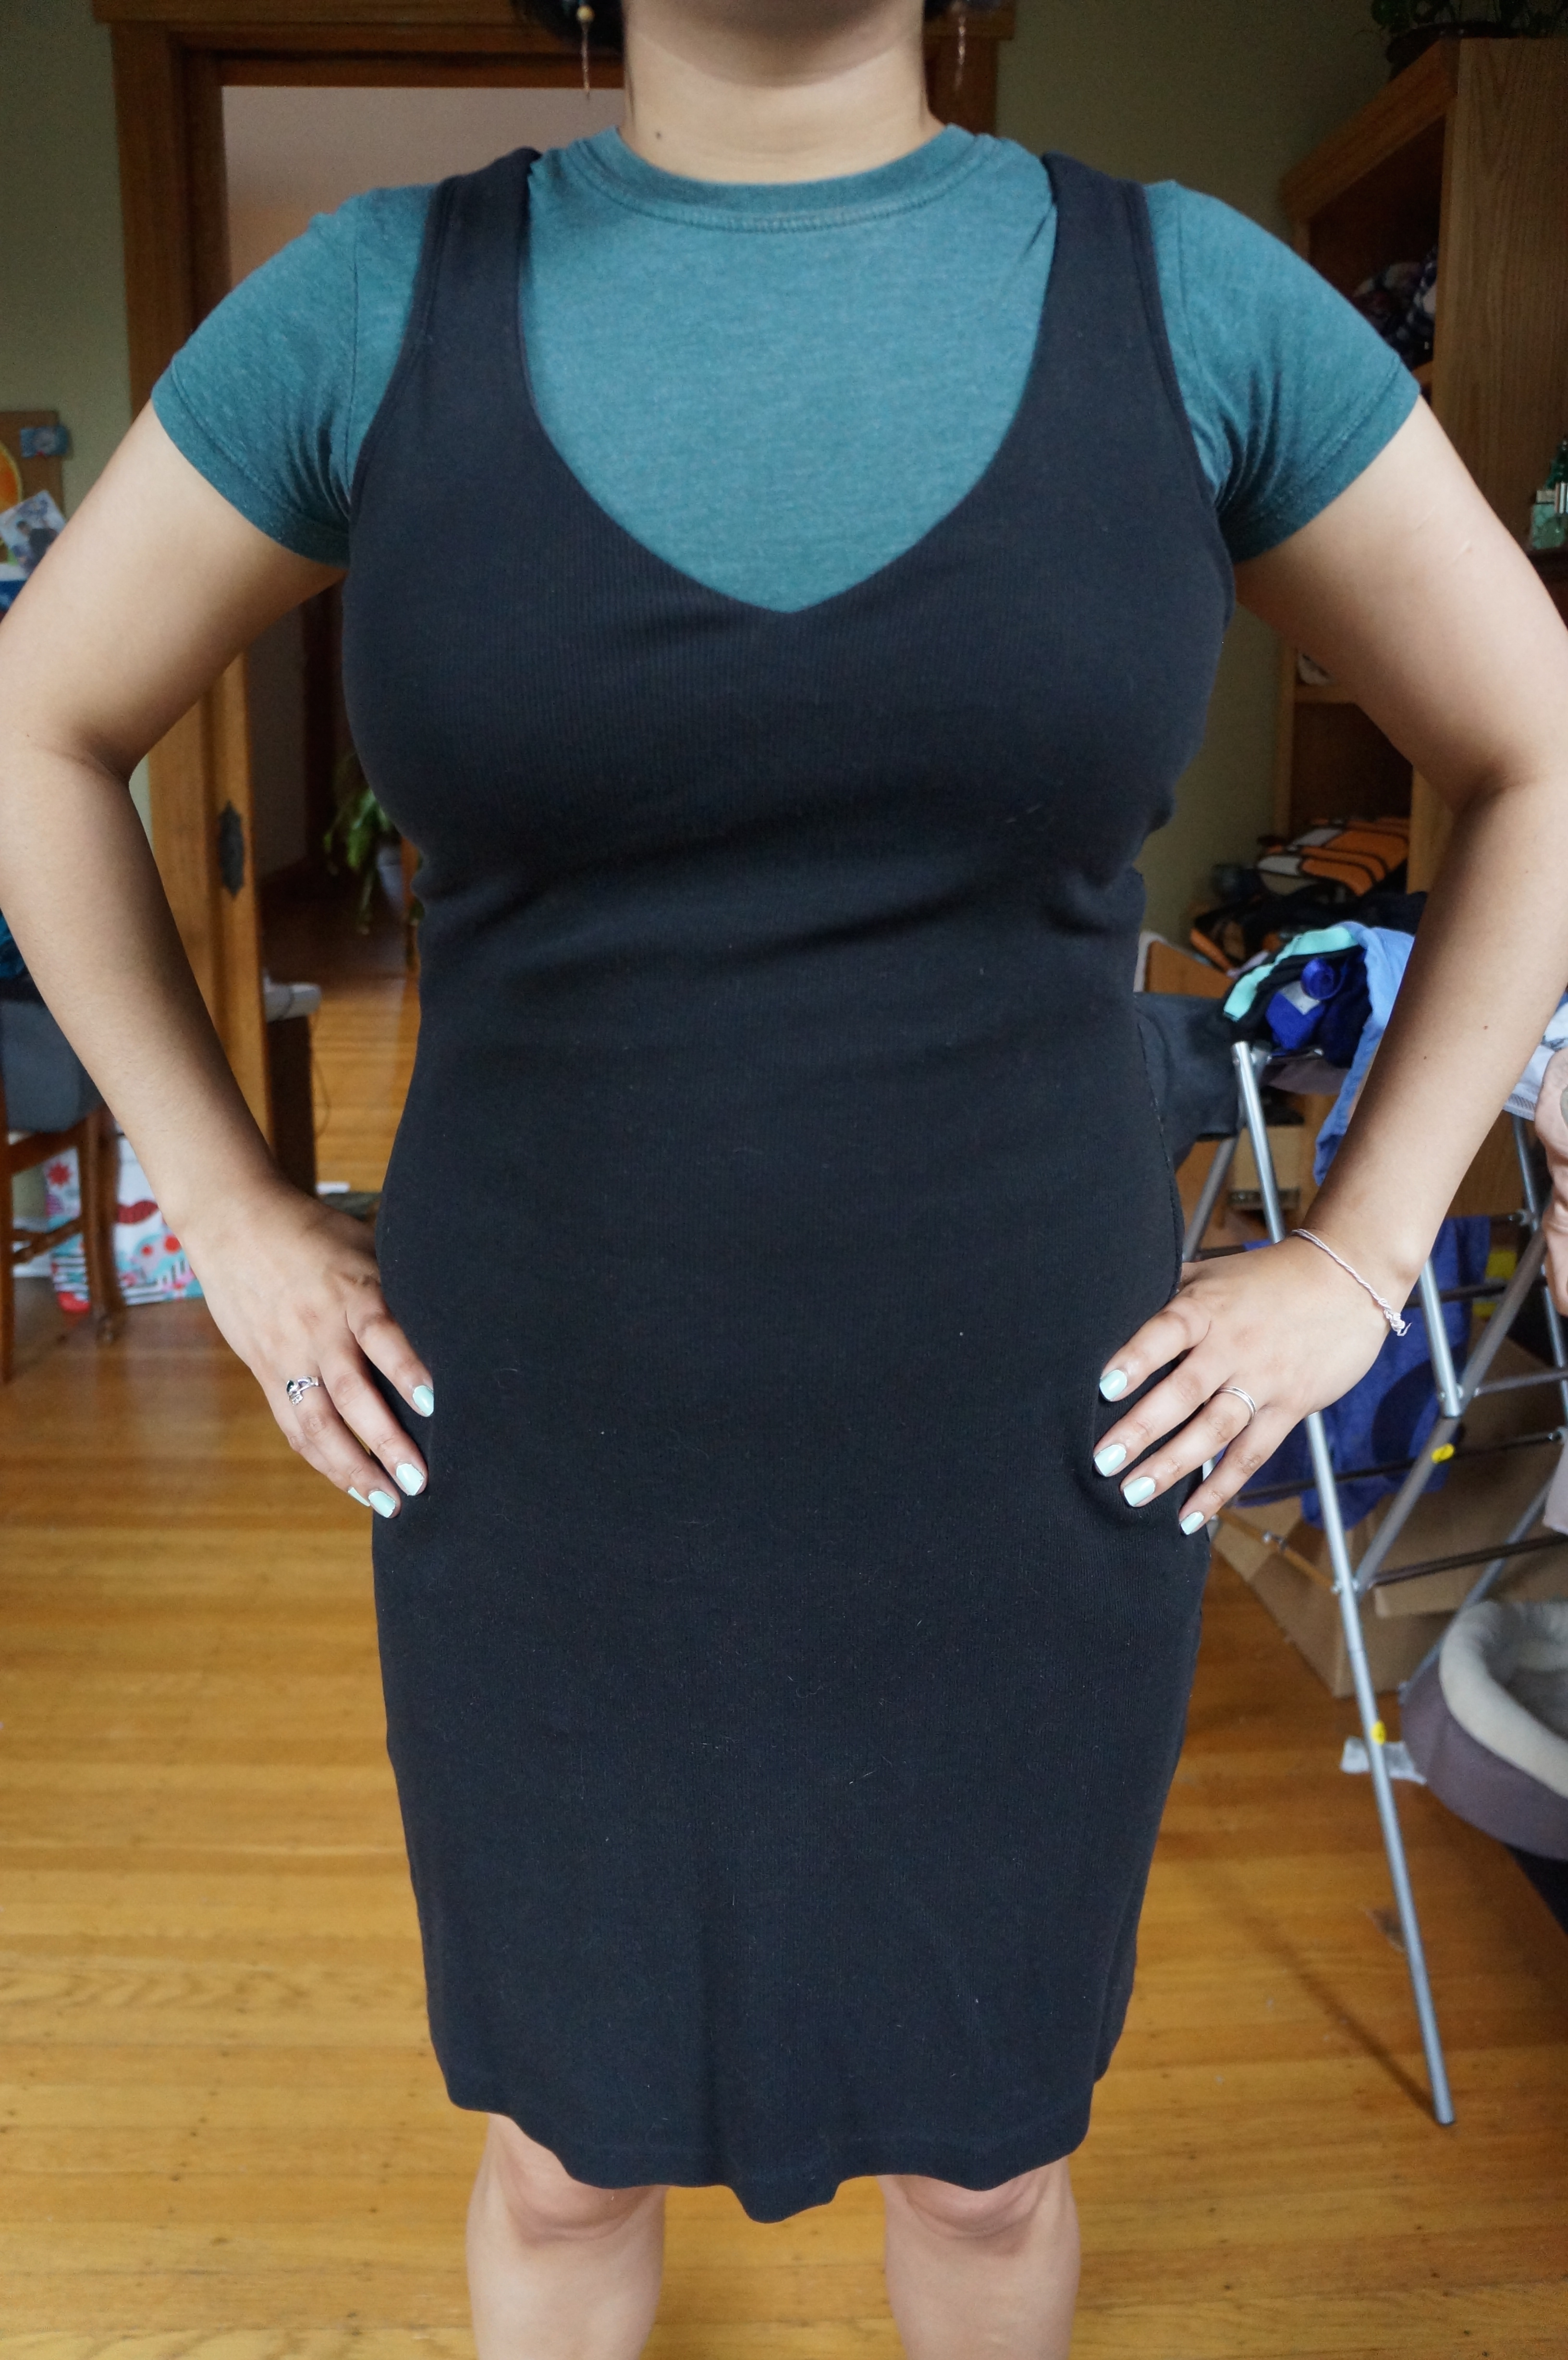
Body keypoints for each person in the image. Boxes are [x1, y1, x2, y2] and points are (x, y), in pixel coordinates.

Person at [3, 0, 1568, 2348]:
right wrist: (221, 1206)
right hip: (548, 1453)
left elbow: (1542, 748)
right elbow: (36, 721)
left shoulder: (1196, 305)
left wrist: (1361, 1250)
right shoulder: (373, 306)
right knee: (561, 2155)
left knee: (987, 2165)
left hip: (1030, 1453)